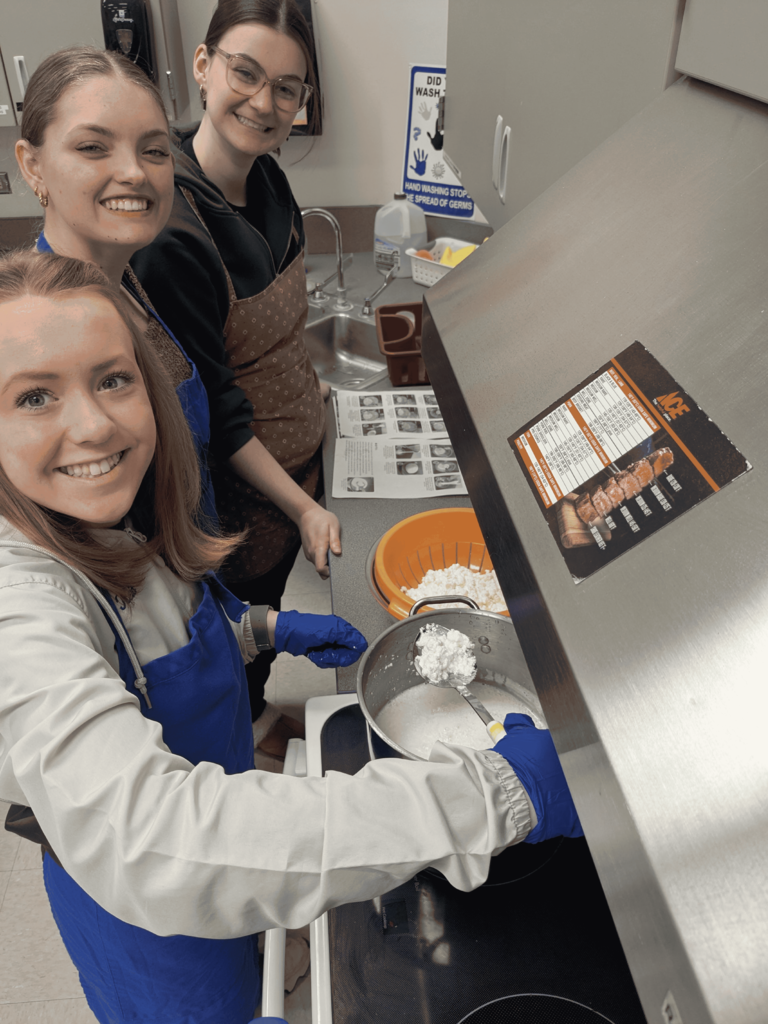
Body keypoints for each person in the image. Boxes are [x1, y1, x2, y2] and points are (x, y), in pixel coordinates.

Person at [0, 250, 582, 1024]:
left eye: (113, 379)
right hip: (150, 921)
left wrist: (264, 630)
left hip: (223, 868)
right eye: (34, 396)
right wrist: (493, 792)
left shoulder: (109, 507)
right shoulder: (20, 608)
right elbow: (157, 841)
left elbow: (156, 636)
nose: (94, 423)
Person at [131, 0, 341, 752]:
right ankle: (245, 738)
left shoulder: (271, 182)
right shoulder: (175, 233)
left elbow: (274, 332)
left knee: (269, 612)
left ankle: (256, 719)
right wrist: (304, 508)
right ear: (203, 65)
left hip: (293, 478)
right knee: (238, 632)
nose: (265, 102)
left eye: (287, 88)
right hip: (244, 501)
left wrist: (309, 396)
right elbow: (214, 410)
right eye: (245, 74)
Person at [13, 46, 217, 527]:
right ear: (32, 165)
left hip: (192, 571)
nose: (133, 172)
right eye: (92, 147)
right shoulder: (33, 329)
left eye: (154, 150)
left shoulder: (129, 281)